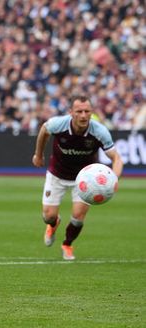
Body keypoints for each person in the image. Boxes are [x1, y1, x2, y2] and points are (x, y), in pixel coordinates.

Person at [32, 95, 123, 260]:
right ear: (71, 112)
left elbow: (117, 159)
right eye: (79, 111)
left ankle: (67, 244)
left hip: (85, 181)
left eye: (86, 111)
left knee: (78, 217)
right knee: (48, 216)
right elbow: (44, 131)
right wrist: (38, 155)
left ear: (91, 112)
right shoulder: (58, 124)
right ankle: (53, 224)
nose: (83, 115)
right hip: (57, 174)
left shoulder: (99, 131)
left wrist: (113, 179)